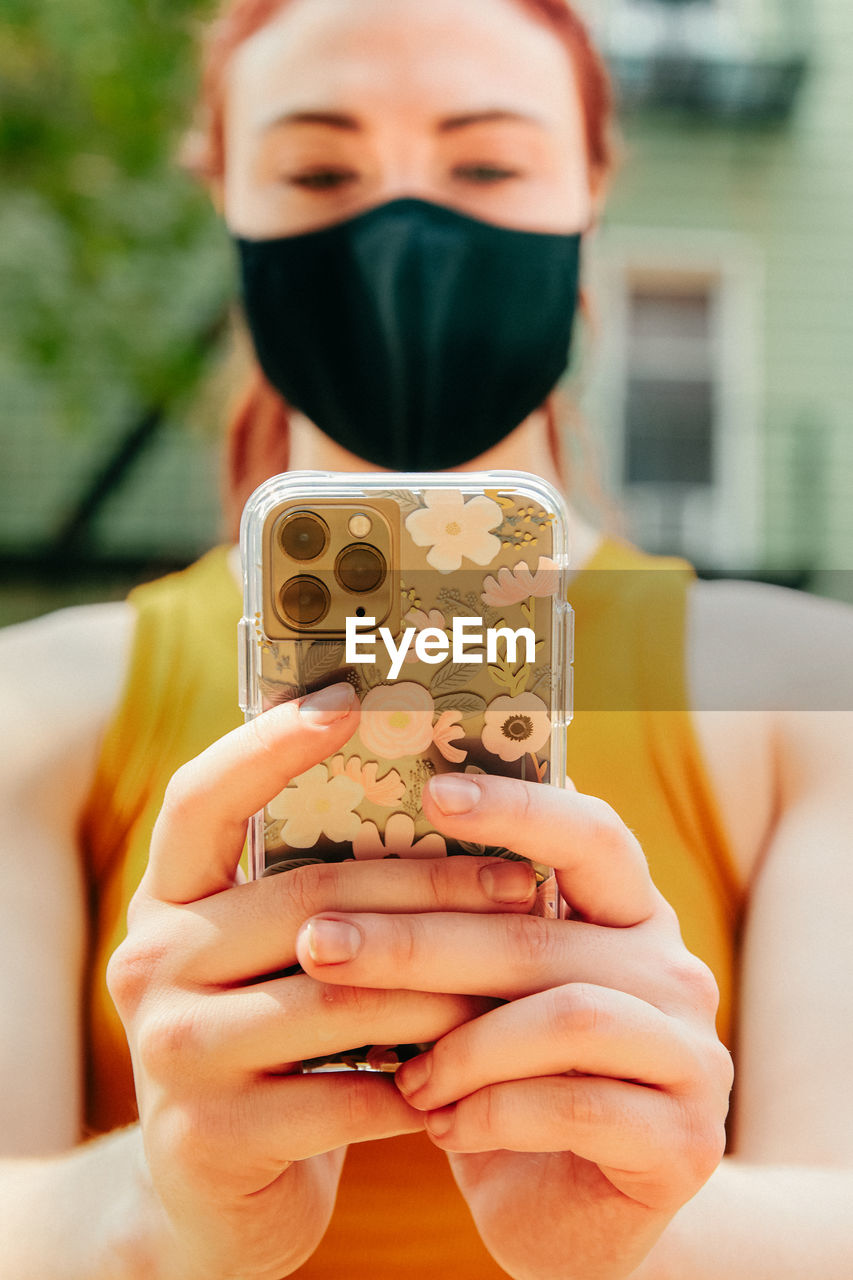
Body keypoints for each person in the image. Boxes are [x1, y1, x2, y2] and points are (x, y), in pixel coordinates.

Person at [2, 0, 853, 1276]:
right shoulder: (35, 705)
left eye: (485, 165)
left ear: (590, 186)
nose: (402, 229)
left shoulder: (807, 694)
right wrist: (166, 1202)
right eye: (322, 170)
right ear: (224, 187)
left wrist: (631, 1235)